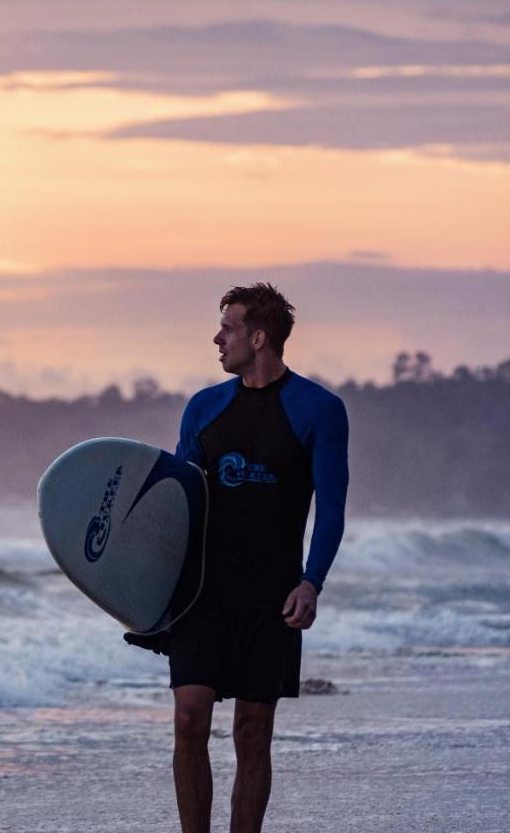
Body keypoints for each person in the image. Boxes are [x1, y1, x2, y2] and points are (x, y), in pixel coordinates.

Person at [162, 283, 348, 833]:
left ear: (259, 337)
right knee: (189, 718)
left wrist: (311, 581)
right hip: (200, 592)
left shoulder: (319, 410)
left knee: (251, 729)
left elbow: (331, 506)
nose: (217, 338)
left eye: (229, 328)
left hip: (271, 593)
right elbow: (176, 503)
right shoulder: (204, 406)